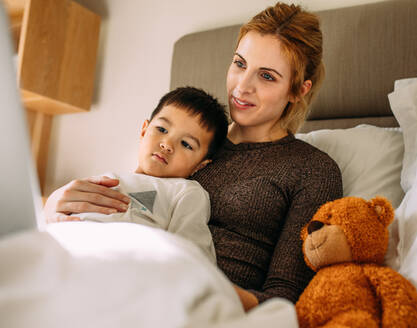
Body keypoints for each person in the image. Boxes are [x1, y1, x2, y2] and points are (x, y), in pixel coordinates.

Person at [44, 3, 343, 311]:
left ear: (298, 90)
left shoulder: (312, 170)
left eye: (266, 76)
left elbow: (288, 296)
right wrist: (56, 206)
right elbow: (129, 203)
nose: (242, 87)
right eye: (240, 64)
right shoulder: (183, 140)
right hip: (117, 277)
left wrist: (188, 284)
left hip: (199, 303)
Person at [50, 86, 229, 264]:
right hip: (65, 247)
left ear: (199, 166)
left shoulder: (185, 191)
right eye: (162, 129)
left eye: (186, 144)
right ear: (144, 130)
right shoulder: (108, 178)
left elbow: (193, 257)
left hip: (115, 262)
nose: (167, 144)